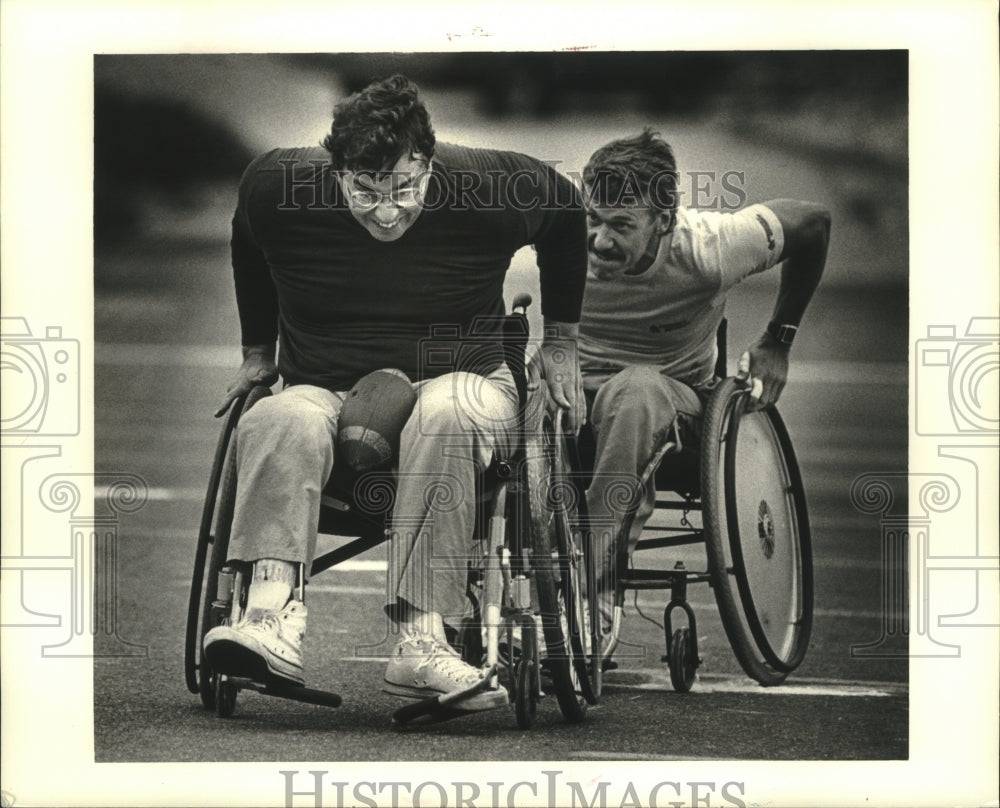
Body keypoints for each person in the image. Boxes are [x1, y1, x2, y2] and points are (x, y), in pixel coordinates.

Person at [202, 75, 587, 713]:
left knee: (444, 410)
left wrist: (564, 340)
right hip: (325, 387)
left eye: (405, 188)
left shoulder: (490, 186)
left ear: (430, 166)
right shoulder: (276, 187)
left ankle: (423, 641)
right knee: (276, 418)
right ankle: (268, 617)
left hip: (463, 380)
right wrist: (255, 353)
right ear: (336, 171)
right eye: (366, 189)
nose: (387, 210)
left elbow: (568, 214)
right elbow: (247, 239)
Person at [577, 129, 830, 649]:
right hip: (574, 390)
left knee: (637, 389)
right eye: (593, 219)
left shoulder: (712, 248)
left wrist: (778, 340)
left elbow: (813, 221)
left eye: (622, 226)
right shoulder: (559, 225)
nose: (600, 240)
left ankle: (593, 584)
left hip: (673, 401)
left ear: (664, 221)